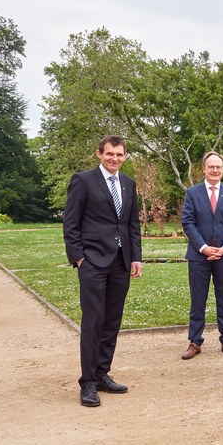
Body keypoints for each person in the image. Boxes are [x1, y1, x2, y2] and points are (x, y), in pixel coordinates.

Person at [63, 135, 143, 407]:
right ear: (99, 154)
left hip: (121, 262)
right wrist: (78, 258)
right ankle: (87, 384)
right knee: (93, 322)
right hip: (93, 263)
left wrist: (136, 258)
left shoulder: (129, 184)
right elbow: (71, 222)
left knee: (112, 322)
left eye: (120, 155)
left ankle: (101, 374)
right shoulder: (83, 181)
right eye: (110, 154)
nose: (115, 159)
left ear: (125, 157)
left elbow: (132, 225)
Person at [181, 151, 223, 360]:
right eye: (211, 167)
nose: (215, 170)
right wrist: (203, 247)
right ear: (204, 169)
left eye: (219, 167)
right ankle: (195, 342)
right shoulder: (192, 193)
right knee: (198, 299)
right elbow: (187, 223)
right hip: (199, 256)